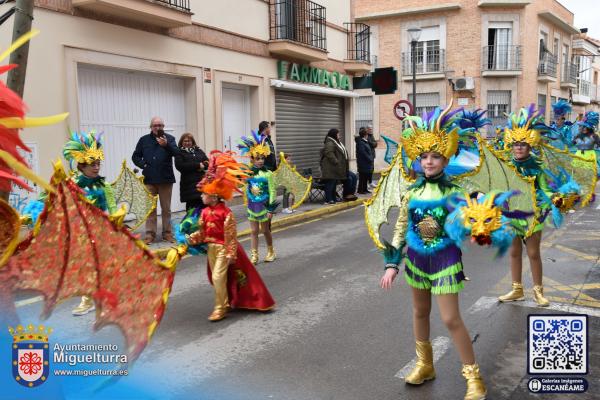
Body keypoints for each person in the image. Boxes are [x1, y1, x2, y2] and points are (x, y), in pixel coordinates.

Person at [380, 106, 486, 400]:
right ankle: (425, 365)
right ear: (418, 158)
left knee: (451, 319)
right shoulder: (411, 192)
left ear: (446, 158)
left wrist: (478, 228)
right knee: (419, 312)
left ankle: (473, 378)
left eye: (435, 156)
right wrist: (392, 264)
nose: (428, 161)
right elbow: (401, 228)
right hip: (416, 261)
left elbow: (468, 224)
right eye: (424, 156)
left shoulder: (455, 192)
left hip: (446, 260)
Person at [186, 151, 275, 321]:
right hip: (211, 250)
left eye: (205, 194)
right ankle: (225, 302)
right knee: (220, 278)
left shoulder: (226, 213)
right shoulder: (204, 212)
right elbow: (203, 233)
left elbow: (231, 237)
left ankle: (220, 309)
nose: (202, 196)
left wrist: (230, 254)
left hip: (223, 250)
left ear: (213, 196)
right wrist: (189, 239)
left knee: (217, 276)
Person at [498, 106, 566, 307]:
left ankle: (538, 291)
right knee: (514, 252)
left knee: (533, 253)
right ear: (510, 145)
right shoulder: (506, 164)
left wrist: (555, 198)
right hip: (511, 213)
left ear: (530, 145)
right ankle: (517, 289)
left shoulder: (537, 166)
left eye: (523, 144)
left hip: (532, 214)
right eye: (515, 144)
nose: (518, 147)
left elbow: (545, 188)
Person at [62, 132, 118, 316]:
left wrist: (117, 218)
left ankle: (101, 297)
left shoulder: (104, 185)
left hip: (101, 231)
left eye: (98, 164)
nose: (96, 167)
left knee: (101, 265)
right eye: (92, 164)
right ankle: (88, 300)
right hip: (81, 232)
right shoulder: (73, 184)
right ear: (82, 165)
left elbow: (112, 207)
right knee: (85, 265)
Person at [132, 117, 179, 244]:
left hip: (165, 179)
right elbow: (135, 156)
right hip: (149, 179)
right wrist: (144, 165)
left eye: (160, 125)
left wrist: (166, 145)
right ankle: (150, 234)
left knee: (166, 209)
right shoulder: (144, 140)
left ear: (163, 126)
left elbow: (177, 153)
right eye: (155, 125)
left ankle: (167, 233)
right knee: (150, 209)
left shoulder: (170, 139)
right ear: (151, 127)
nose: (157, 127)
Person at [238, 130, 279, 264]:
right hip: (252, 206)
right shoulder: (249, 173)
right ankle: (254, 255)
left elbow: (273, 191)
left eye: (262, 158)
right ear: (252, 159)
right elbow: (243, 187)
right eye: (257, 158)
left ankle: (271, 251)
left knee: (265, 230)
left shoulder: (268, 174)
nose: (260, 161)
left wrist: (271, 209)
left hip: (264, 206)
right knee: (254, 230)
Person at [175, 133, 209, 211]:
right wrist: (198, 165)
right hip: (189, 185)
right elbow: (180, 166)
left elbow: (207, 161)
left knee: (204, 207)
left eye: (189, 141)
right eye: (185, 141)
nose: (187, 143)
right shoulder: (179, 153)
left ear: (192, 142)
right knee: (192, 209)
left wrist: (203, 165)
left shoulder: (199, 151)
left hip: (202, 183)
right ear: (181, 142)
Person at [356, 127, 375, 194]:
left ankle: (365, 189)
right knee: (362, 177)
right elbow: (363, 152)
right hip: (363, 163)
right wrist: (370, 159)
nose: (368, 136)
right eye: (367, 135)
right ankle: (361, 190)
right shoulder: (361, 142)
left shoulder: (364, 141)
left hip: (366, 163)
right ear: (365, 135)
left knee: (366, 176)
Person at [366, 124, 377, 189]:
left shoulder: (371, 135)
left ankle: (370, 182)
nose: (371, 130)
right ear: (367, 129)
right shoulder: (366, 136)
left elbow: (375, 144)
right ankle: (367, 183)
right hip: (368, 156)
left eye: (371, 129)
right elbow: (371, 144)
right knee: (368, 170)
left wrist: (373, 143)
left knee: (372, 169)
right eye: (369, 129)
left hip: (372, 155)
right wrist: (373, 143)